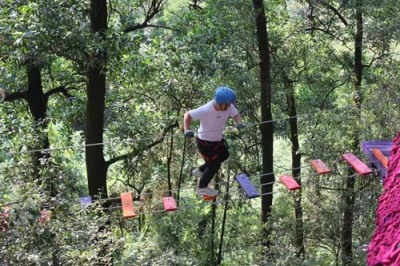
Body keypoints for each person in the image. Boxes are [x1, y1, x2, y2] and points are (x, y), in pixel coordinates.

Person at [183, 86, 245, 197]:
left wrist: (239, 123)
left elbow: (236, 115)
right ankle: (202, 188)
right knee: (214, 166)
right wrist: (187, 130)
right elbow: (187, 115)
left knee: (224, 155)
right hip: (205, 143)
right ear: (221, 103)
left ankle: (201, 170)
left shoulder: (228, 106)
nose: (231, 106)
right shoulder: (206, 109)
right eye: (228, 104)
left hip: (217, 140)